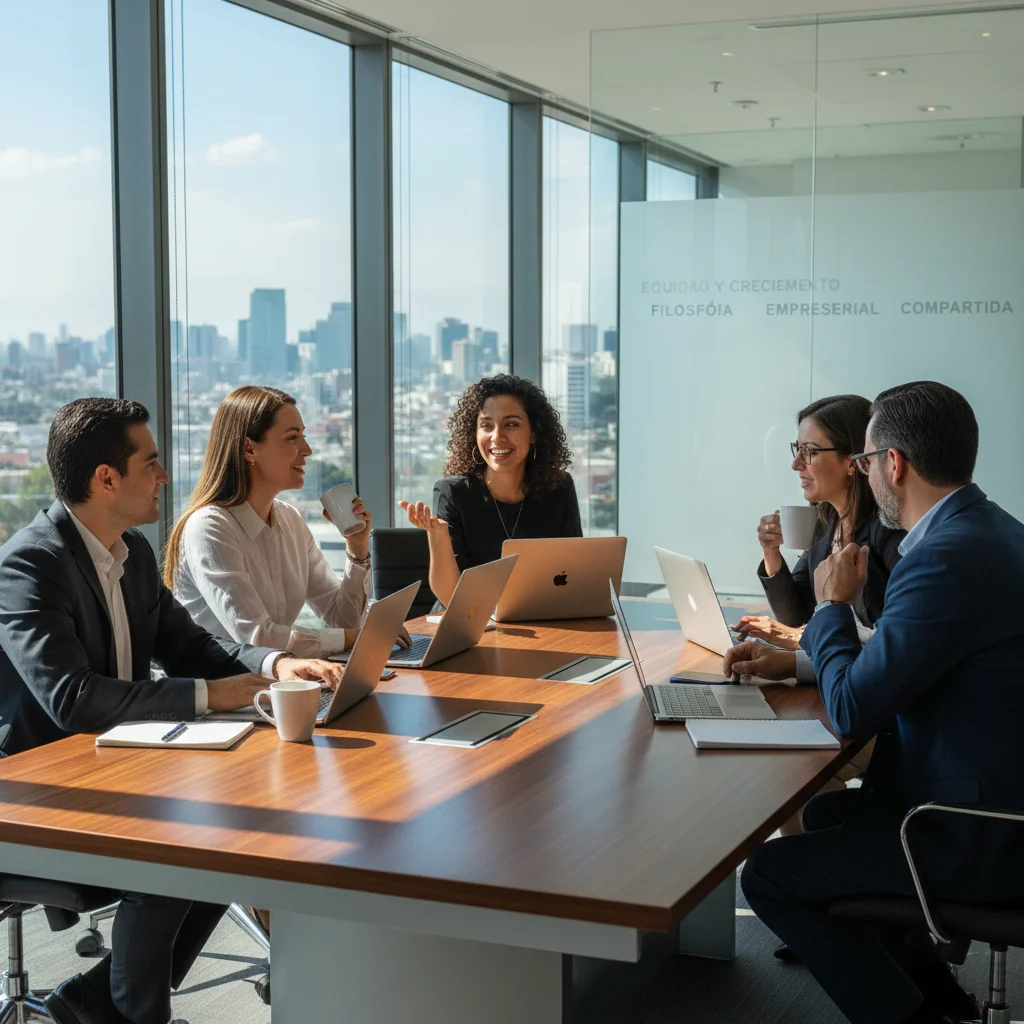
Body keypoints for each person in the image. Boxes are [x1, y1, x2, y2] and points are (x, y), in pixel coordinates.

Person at [0, 398, 343, 1024]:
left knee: (222, 845)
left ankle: (93, 1006)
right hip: (39, 793)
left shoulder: (128, 553)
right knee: (176, 853)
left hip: (116, 769)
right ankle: (132, 1015)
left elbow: (194, 647)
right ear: (107, 479)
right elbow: (72, 698)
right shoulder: (31, 562)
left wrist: (272, 667)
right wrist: (215, 695)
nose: (163, 477)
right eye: (151, 463)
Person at [736, 381, 1024, 1024]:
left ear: (893, 463)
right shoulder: (995, 530)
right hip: (990, 793)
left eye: (865, 461)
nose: (865, 475)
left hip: (974, 832)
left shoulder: (944, 558)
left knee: (767, 876)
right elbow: (902, 666)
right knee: (829, 817)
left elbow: (851, 709)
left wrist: (833, 606)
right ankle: (941, 998)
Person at [166, 385, 406, 658]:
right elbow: (258, 637)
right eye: (292, 438)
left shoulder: (290, 521)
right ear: (248, 448)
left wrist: (357, 548)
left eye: (302, 436)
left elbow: (343, 620)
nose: (307, 449)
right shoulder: (209, 528)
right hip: (223, 693)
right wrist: (362, 636)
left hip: (275, 683)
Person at [736, 394, 904, 672]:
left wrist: (799, 640)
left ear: (852, 461)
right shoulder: (827, 523)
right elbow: (796, 614)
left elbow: (893, 645)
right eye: (797, 449)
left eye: (810, 451)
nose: (796, 464)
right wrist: (771, 553)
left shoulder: (889, 531)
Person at [398, 373, 582, 607]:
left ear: (534, 432)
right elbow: (450, 598)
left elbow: (575, 573)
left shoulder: (560, 487)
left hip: (538, 617)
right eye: (486, 425)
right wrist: (438, 537)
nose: (497, 437)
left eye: (511, 424)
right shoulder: (453, 492)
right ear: (474, 434)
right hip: (470, 624)